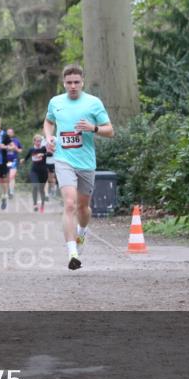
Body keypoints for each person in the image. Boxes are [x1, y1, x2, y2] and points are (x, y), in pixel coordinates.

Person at [44, 64, 114, 271]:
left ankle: (82, 232)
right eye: (69, 83)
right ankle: (72, 252)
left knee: (83, 208)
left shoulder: (93, 103)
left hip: (86, 163)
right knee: (69, 204)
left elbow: (110, 131)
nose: (73, 86)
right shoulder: (55, 102)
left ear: (82, 82)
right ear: (64, 83)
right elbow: (48, 122)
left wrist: (93, 128)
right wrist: (49, 137)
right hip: (63, 160)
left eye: (76, 82)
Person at [24, 134, 50, 213]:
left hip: (43, 172)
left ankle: (42, 205)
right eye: (37, 141)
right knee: (35, 186)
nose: (38, 143)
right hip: (34, 171)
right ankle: (35, 204)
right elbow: (26, 157)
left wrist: (43, 154)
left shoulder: (44, 148)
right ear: (34, 141)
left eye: (40, 141)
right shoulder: (31, 149)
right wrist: (23, 161)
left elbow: (51, 154)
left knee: (41, 189)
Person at [5, 127, 23, 198]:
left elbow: (20, 150)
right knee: (6, 176)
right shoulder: (3, 140)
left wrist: (15, 148)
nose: (9, 133)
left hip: (14, 160)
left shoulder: (16, 140)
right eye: (8, 132)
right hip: (5, 160)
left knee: (12, 176)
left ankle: (11, 192)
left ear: (13, 133)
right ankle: (6, 191)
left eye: (11, 132)